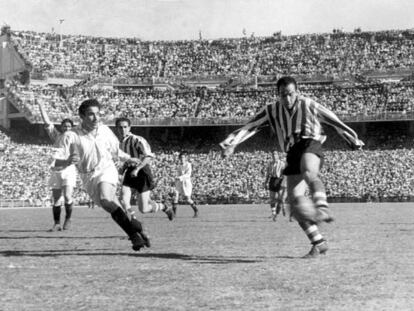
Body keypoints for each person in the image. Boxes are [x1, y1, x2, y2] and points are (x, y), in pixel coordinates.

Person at [220, 76, 364, 258]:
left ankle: (322, 206)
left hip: (310, 142)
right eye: (283, 95)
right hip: (291, 151)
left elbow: (333, 119)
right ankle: (319, 243)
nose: (287, 99)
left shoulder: (309, 104)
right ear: (278, 95)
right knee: (294, 204)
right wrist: (231, 144)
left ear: (297, 92)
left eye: (290, 94)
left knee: (308, 171)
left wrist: (352, 139)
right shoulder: (272, 110)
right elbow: (251, 126)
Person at [57, 99, 149, 251]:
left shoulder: (105, 130)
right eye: (91, 114)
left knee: (106, 198)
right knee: (113, 205)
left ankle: (134, 236)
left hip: (106, 169)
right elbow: (54, 163)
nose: (96, 118)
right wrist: (67, 161)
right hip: (88, 176)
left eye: (98, 114)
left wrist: (127, 157)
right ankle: (138, 229)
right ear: (81, 116)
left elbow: (115, 151)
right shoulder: (71, 135)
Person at [115, 117, 174, 222]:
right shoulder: (120, 143)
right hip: (130, 171)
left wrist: (137, 169)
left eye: (125, 127)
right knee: (123, 200)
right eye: (120, 127)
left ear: (129, 128)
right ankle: (134, 226)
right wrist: (122, 170)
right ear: (117, 129)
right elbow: (127, 160)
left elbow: (148, 156)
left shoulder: (137, 140)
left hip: (142, 171)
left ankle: (164, 206)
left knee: (144, 209)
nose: (122, 129)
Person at [37, 99, 76, 231]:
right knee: (56, 199)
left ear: (72, 128)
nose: (67, 128)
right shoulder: (56, 136)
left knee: (68, 196)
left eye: (69, 126)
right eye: (65, 126)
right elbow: (47, 122)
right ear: (61, 127)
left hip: (69, 169)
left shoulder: (74, 138)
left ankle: (68, 219)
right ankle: (56, 223)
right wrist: (41, 106)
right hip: (56, 169)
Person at [172, 151, 199, 218]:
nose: (182, 159)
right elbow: (178, 174)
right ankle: (173, 214)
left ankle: (196, 211)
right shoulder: (179, 166)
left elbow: (188, 175)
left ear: (186, 158)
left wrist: (179, 177)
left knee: (188, 199)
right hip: (179, 182)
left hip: (186, 183)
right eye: (181, 157)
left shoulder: (188, 165)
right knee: (175, 196)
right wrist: (175, 179)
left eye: (183, 157)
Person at [264, 150, 287, 221]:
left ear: (278, 155)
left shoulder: (282, 163)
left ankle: (282, 207)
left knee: (280, 198)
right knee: (272, 198)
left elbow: (284, 173)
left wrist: (281, 179)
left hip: (279, 180)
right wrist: (266, 182)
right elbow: (268, 174)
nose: (274, 156)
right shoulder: (270, 163)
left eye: (275, 154)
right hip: (272, 180)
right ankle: (274, 213)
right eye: (273, 154)